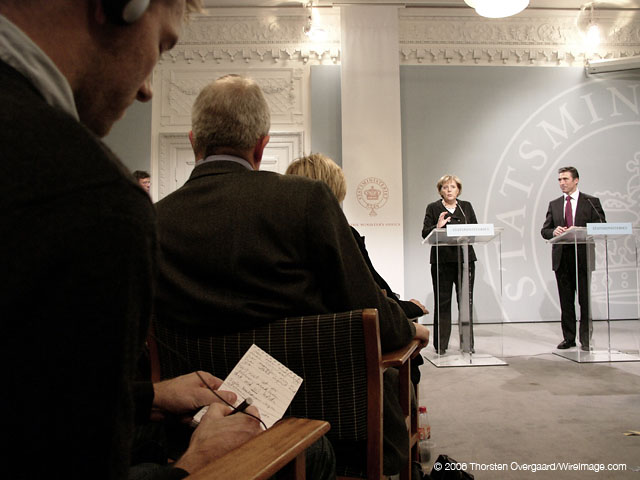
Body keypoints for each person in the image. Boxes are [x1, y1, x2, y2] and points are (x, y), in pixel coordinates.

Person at [0, 1, 262, 478]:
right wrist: (193, 466)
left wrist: (148, 395)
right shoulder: (90, 200)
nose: (145, 89)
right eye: (160, 45)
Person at [155, 75, 430, 476]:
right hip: (328, 425)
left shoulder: (154, 221)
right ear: (262, 144)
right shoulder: (306, 200)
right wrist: (407, 328)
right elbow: (368, 308)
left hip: (203, 425)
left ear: (195, 140)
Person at [541, 166, 606, 351]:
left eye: (565, 179)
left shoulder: (591, 202)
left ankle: (585, 340)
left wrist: (579, 230)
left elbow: (601, 225)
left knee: (584, 301)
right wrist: (554, 231)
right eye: (559, 180)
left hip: (582, 256)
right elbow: (544, 231)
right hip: (562, 258)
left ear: (576, 180)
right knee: (566, 301)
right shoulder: (554, 204)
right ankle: (569, 338)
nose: (562, 183)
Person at [422, 175, 478, 355]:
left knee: (465, 303)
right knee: (443, 303)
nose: (449, 190)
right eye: (445, 187)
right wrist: (437, 226)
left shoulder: (466, 207)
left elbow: (475, 230)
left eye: (452, 187)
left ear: (458, 190)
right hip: (442, 261)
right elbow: (424, 233)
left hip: (464, 260)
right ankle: (441, 345)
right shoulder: (433, 208)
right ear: (440, 190)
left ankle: (467, 345)